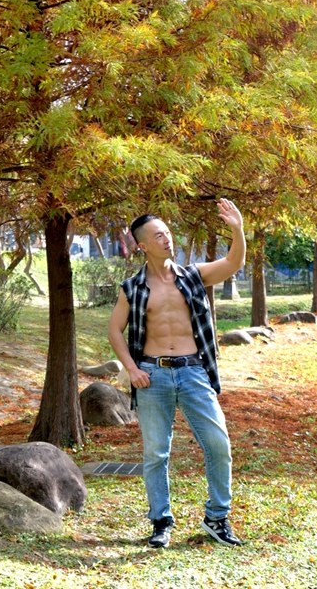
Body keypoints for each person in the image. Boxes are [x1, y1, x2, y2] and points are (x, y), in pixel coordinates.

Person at [108, 199, 246, 550]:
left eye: (168, 232)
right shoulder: (132, 288)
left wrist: (237, 230)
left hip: (193, 371)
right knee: (156, 453)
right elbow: (114, 331)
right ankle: (161, 521)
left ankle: (217, 517)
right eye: (158, 235)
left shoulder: (194, 275)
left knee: (218, 444)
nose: (167, 238)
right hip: (152, 375)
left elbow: (233, 263)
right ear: (143, 245)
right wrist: (132, 369)